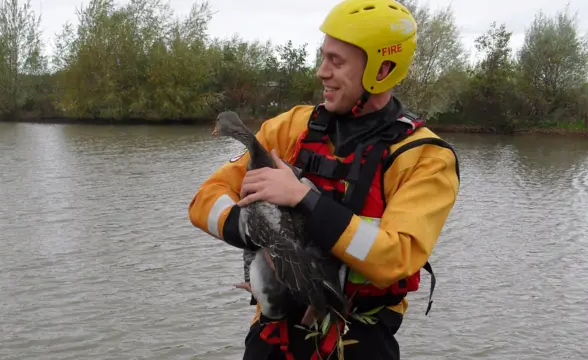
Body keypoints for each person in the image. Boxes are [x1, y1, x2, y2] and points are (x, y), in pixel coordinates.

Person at [188, 0, 460, 358]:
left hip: (359, 339)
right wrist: (259, 230)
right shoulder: (290, 128)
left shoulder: (426, 158)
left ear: (383, 69)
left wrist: (304, 199)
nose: (321, 71)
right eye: (323, 57)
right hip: (274, 335)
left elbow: (395, 257)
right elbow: (205, 199)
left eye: (337, 61)